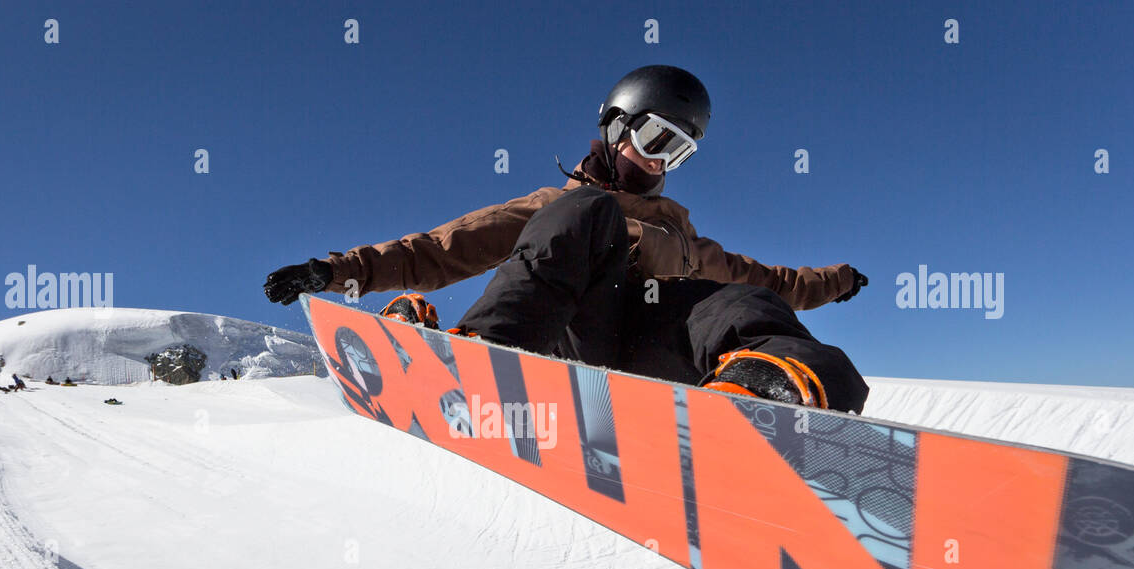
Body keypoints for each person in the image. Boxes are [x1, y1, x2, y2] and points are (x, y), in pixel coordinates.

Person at [264, 65, 869, 413]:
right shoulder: (564, 210)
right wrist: (338, 271)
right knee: (591, 212)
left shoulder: (687, 239)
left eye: (680, 153)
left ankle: (777, 396)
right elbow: (444, 248)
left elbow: (779, 284)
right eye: (658, 141)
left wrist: (839, 280)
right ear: (616, 127)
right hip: (576, 344)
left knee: (745, 302)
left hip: (651, 367)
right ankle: (487, 357)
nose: (663, 164)